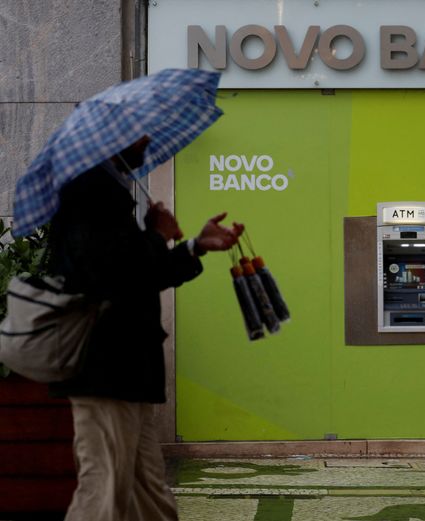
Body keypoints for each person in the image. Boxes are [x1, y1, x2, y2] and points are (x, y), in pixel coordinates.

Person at [47, 136, 243, 521]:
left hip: (127, 369)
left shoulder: (110, 193)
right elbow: (103, 274)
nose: (147, 140)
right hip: (104, 367)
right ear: (114, 134)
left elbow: (140, 274)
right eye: (139, 133)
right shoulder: (87, 191)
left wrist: (195, 248)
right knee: (103, 490)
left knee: (148, 489)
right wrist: (155, 234)